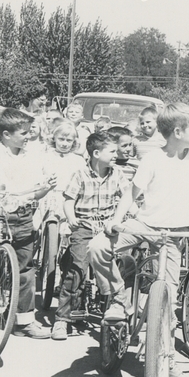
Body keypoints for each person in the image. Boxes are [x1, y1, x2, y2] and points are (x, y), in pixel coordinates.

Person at [89, 103, 189, 377]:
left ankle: (168, 362)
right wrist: (115, 220)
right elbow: (132, 193)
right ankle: (116, 295)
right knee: (99, 246)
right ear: (177, 131)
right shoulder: (153, 159)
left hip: (175, 236)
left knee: (169, 302)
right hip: (145, 227)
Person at [0, 108, 56, 338]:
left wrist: (45, 188)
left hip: (24, 216)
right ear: (6, 134)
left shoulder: (33, 157)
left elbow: (37, 191)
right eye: (23, 133)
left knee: (25, 269)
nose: (28, 136)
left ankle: (23, 321)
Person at [53, 132, 130, 340]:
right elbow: (69, 199)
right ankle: (62, 318)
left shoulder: (118, 174)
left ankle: (121, 306)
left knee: (125, 261)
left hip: (109, 226)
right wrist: (71, 218)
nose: (117, 154)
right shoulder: (80, 174)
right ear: (96, 153)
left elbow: (128, 197)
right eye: (112, 151)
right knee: (77, 266)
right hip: (84, 225)